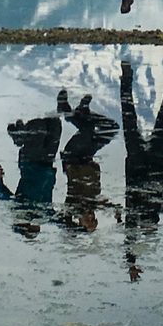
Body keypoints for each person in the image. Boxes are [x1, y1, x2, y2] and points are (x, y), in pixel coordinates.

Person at [120, 58, 163, 280]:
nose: (145, 228)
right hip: (147, 159)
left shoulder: (143, 214)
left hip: (140, 160)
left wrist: (131, 261)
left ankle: (131, 77)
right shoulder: (154, 210)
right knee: (137, 116)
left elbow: (129, 236)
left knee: (141, 117)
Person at [0, 110, 62, 238]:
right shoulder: (45, 214)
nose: (37, 227)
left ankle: (19, 137)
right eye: (37, 229)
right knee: (55, 126)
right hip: (47, 164)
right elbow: (60, 221)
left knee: (38, 128)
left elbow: (2, 194)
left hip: (30, 161)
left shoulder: (19, 208)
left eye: (33, 229)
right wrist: (80, 229)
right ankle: (23, 132)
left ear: (25, 226)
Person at [58, 90, 121, 233]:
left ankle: (68, 113)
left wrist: (78, 230)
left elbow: (64, 222)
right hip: (87, 155)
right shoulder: (95, 203)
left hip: (73, 157)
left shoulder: (73, 207)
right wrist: (117, 215)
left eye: (89, 221)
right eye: (94, 220)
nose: (91, 217)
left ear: (80, 221)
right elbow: (111, 206)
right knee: (111, 128)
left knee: (87, 130)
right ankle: (83, 112)